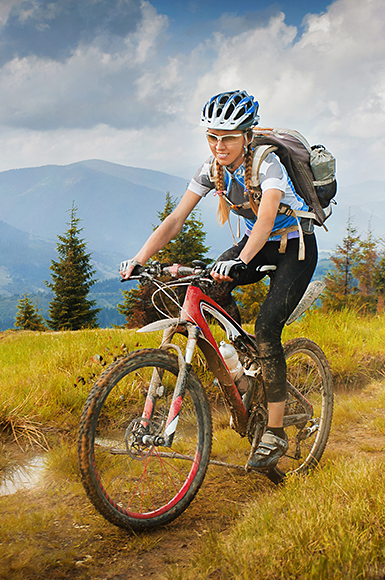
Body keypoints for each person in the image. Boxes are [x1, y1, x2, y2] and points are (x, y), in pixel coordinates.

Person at [119, 90, 318, 470]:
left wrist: (240, 261)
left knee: (267, 329)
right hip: (254, 246)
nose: (219, 145)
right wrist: (140, 259)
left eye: (227, 137)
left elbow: (264, 221)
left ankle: (275, 431)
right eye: (212, 136)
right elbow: (175, 220)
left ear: (246, 135)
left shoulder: (268, 164)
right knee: (204, 289)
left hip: (294, 248)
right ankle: (238, 365)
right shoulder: (211, 169)